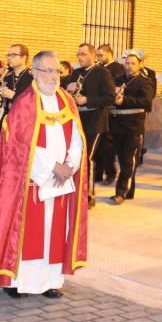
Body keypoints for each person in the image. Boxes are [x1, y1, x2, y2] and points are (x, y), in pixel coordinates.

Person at [0, 50, 88, 298]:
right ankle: (20, 282)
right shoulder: (25, 103)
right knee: (28, 234)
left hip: (61, 182)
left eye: (57, 71)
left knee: (54, 233)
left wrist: (70, 164)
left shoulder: (66, 100)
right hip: (33, 182)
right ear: (36, 72)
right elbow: (21, 144)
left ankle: (50, 282)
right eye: (48, 71)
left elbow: (77, 136)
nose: (54, 76)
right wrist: (52, 167)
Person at [67, 43, 115, 207]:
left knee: (87, 158)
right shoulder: (76, 73)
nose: (80, 57)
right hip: (77, 119)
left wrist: (87, 99)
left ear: (94, 56)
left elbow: (110, 98)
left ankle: (89, 195)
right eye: (78, 54)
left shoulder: (103, 73)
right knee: (75, 157)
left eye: (83, 54)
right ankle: (75, 191)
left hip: (95, 121)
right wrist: (68, 89)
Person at [108, 50, 155, 203]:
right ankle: (129, 191)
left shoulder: (145, 81)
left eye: (133, 63)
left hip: (133, 127)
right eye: (127, 63)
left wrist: (124, 100)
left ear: (140, 64)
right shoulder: (117, 79)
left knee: (129, 160)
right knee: (122, 160)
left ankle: (121, 192)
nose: (129, 66)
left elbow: (147, 102)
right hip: (116, 126)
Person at [94, 44, 124, 185]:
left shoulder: (117, 69)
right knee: (98, 145)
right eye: (97, 55)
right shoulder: (98, 69)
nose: (98, 58)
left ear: (109, 54)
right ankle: (97, 173)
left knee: (107, 145)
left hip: (110, 112)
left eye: (100, 55)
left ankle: (110, 172)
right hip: (98, 110)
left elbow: (114, 88)